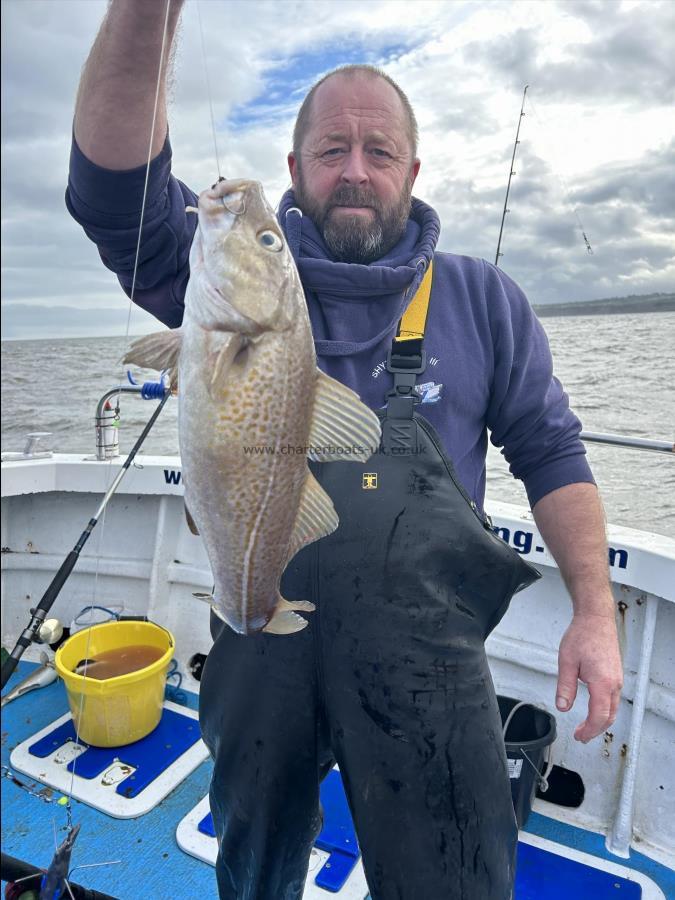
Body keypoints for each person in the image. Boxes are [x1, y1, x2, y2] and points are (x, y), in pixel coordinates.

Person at [66, 2, 624, 898]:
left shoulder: (484, 300)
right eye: (331, 151)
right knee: (254, 861)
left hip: (429, 658)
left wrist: (595, 613)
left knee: (456, 874)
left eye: (378, 151)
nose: (354, 172)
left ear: (411, 168)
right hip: (257, 641)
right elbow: (109, 188)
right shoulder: (218, 275)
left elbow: (553, 456)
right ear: (295, 168)